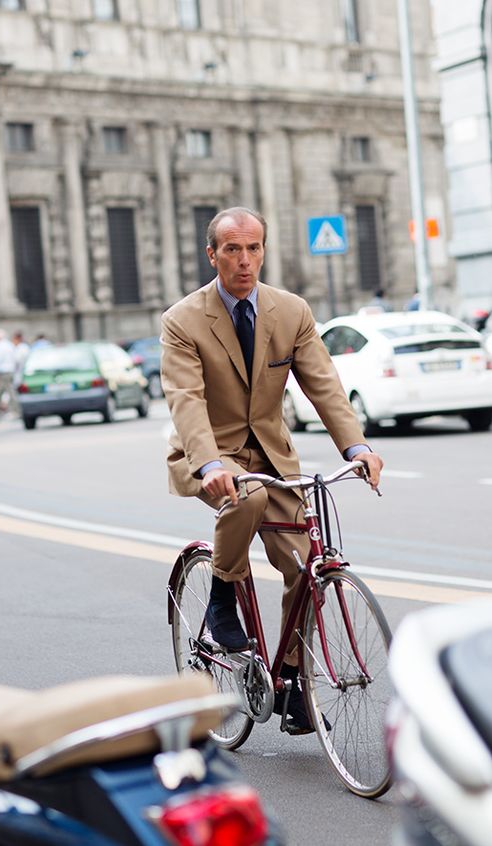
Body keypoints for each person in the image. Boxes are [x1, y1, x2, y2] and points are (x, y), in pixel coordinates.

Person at [160, 207, 383, 733]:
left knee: (305, 567)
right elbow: (186, 399)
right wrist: (210, 463)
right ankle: (221, 593)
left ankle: (291, 679)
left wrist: (356, 448)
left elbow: (324, 385)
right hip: (207, 454)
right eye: (232, 249)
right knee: (248, 497)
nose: (245, 260)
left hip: (273, 458)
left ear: (264, 251)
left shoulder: (290, 311)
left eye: (254, 248)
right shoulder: (183, 320)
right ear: (212, 255)